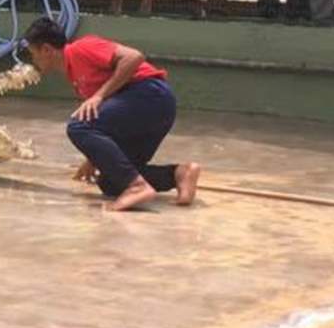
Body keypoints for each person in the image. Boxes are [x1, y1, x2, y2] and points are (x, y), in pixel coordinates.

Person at [21, 17, 201, 212]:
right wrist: (94, 158)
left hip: (150, 96)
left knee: (78, 125)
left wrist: (98, 96)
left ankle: (137, 187)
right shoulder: (74, 75)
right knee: (110, 181)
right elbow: (106, 124)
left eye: (33, 54)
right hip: (148, 111)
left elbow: (134, 57)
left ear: (46, 50)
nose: (34, 60)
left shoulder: (81, 48)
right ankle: (179, 174)